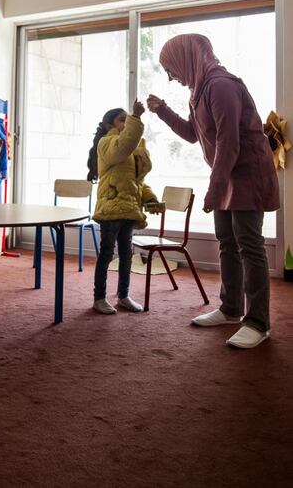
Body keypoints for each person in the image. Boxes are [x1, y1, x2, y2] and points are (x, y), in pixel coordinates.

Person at [147, 33, 279, 348]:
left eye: (171, 68)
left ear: (187, 59)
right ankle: (231, 309)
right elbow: (194, 135)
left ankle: (258, 323)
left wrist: (213, 189)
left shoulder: (221, 85)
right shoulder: (200, 90)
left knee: (249, 245)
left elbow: (229, 144)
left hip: (248, 174)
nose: (171, 76)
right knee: (227, 243)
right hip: (228, 174)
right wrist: (162, 110)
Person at [87, 100, 160, 315]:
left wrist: (150, 198)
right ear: (109, 125)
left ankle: (123, 295)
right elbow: (125, 144)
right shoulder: (107, 144)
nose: (127, 123)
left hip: (128, 208)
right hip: (111, 207)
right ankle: (99, 298)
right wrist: (136, 118)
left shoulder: (129, 149)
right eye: (123, 120)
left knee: (126, 255)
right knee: (107, 253)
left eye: (129, 120)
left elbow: (137, 182)